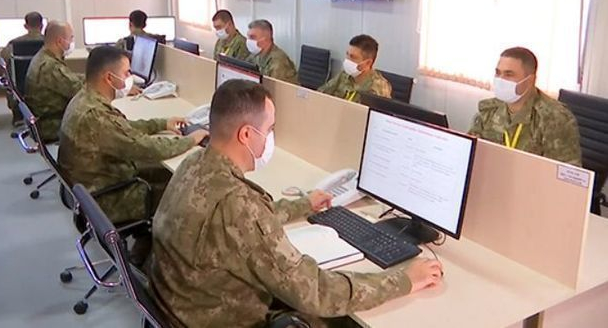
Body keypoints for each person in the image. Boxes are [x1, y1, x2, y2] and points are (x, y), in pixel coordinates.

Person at [150, 79, 443, 328]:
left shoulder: (195, 164)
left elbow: (242, 224)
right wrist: (403, 280)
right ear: (247, 135)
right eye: (270, 129)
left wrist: (303, 205)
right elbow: (316, 292)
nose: (270, 137)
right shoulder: (240, 205)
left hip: (179, 308)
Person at [59, 46, 208, 227]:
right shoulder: (95, 115)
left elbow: (122, 128)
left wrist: (161, 124)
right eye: (126, 73)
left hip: (93, 186)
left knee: (166, 172)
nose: (130, 77)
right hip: (106, 199)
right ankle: (157, 241)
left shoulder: (85, 99)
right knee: (186, 190)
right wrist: (190, 140)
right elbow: (147, 148)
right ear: (109, 78)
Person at [469, 47, 582, 166]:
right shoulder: (489, 110)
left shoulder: (555, 118)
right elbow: (471, 150)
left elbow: (565, 172)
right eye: (498, 73)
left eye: (509, 74)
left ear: (530, 80)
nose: (500, 80)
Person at [25, 21, 84, 142]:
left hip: (47, 118)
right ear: (60, 41)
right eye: (71, 38)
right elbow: (80, 91)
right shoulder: (50, 66)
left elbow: (69, 78)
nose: (72, 42)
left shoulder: (44, 56)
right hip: (52, 125)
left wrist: (93, 77)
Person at [0, 11, 45, 125]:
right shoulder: (48, 43)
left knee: (7, 76)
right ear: (42, 25)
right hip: (44, 87)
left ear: (25, 26)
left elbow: (3, 63)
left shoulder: (13, 44)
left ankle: (18, 114)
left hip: (20, 86)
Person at [319, 35, 392, 103]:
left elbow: (378, 112)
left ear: (368, 63)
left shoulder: (379, 87)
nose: (347, 60)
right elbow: (320, 94)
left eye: (352, 57)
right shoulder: (344, 74)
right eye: (347, 54)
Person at [246, 19, 299, 84]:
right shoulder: (256, 54)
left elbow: (274, 87)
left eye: (252, 37)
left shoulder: (278, 61)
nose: (248, 40)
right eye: (248, 37)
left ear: (265, 39)